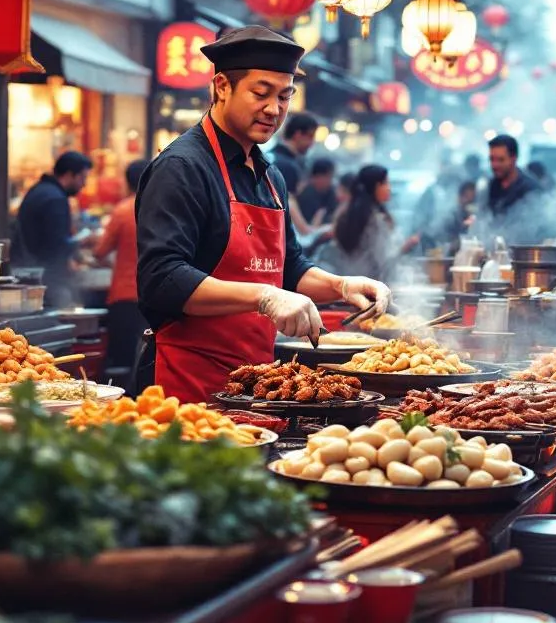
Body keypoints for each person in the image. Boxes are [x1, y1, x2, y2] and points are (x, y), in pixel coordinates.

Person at [135, 26, 390, 403]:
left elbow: (290, 268)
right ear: (222, 86)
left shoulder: (269, 176)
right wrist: (265, 297)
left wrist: (341, 286)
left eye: (285, 96)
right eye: (261, 93)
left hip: (251, 383)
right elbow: (163, 279)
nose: (274, 109)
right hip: (186, 383)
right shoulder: (183, 167)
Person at [93, 159, 149, 381]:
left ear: (126, 182)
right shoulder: (162, 207)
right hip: (154, 294)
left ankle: (119, 403)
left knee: (122, 358)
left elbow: (100, 252)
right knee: (148, 354)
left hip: (124, 294)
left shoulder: (123, 210)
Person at [15, 151, 94, 308]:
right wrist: (81, 242)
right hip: (46, 279)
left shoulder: (39, 190)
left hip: (29, 272)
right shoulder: (55, 199)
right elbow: (56, 245)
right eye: (82, 178)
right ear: (69, 174)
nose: (83, 184)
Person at [316, 165, 418, 279]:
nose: (389, 188)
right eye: (384, 183)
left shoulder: (350, 213)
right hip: (368, 285)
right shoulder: (374, 221)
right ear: (374, 187)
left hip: (349, 283)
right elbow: (383, 265)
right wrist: (405, 248)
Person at [485, 134, 551, 243]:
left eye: (500, 160)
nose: (494, 165)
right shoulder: (493, 185)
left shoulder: (531, 189)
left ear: (514, 158)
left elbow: (540, 230)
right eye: (492, 159)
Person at [269, 113, 317, 198]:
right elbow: (289, 202)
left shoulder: (267, 155)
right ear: (298, 134)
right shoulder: (289, 167)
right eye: (310, 136)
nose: (312, 143)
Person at [297, 158, 338, 226]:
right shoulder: (306, 194)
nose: (330, 181)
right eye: (328, 176)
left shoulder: (331, 192)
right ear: (317, 176)